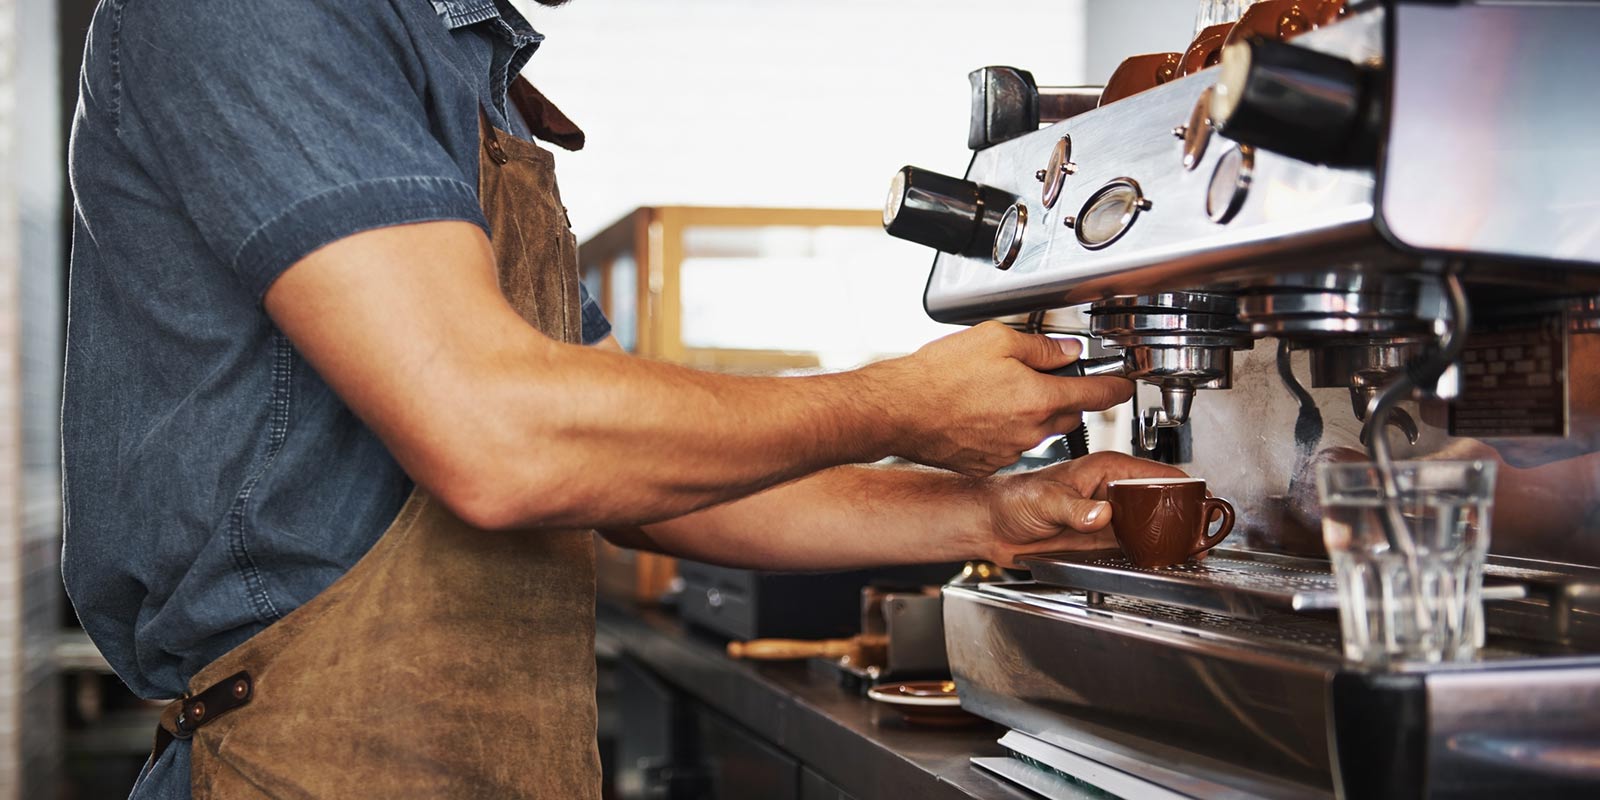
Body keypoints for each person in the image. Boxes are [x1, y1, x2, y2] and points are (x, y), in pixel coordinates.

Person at [62, 1, 1184, 797]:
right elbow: (503, 440)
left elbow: (645, 490)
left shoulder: (455, 64)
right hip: (305, 767)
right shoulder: (259, 13)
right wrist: (898, 402)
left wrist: (995, 513)